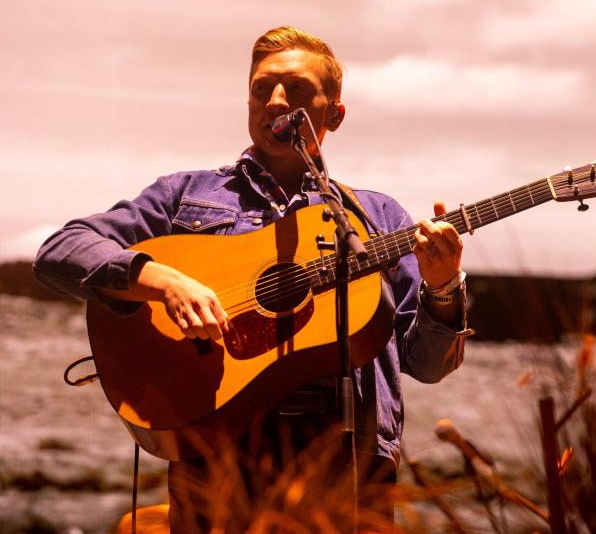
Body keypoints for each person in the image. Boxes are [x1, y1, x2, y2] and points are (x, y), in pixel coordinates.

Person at [33, 26, 469, 532]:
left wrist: (442, 287)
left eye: (297, 90)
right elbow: (59, 251)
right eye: (262, 89)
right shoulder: (185, 195)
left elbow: (427, 365)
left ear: (334, 115)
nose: (276, 100)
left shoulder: (377, 217)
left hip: (348, 463)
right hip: (216, 451)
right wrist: (161, 281)